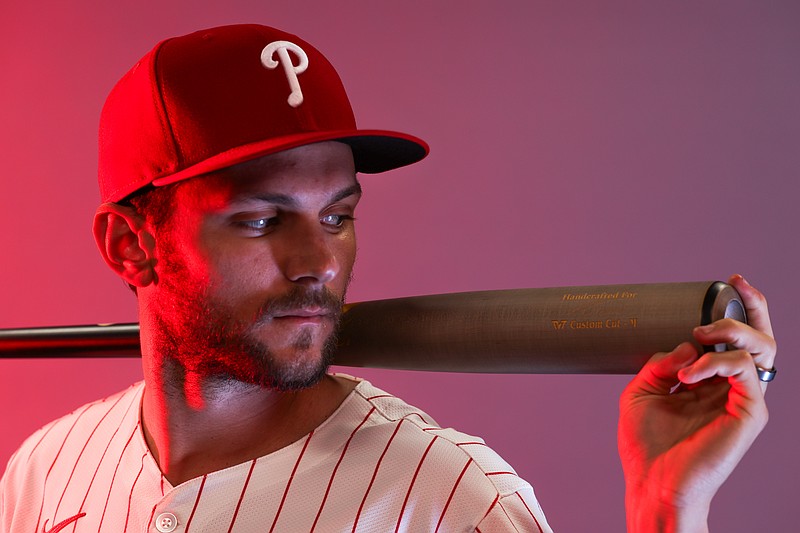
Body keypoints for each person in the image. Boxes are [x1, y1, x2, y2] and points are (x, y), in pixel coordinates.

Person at [0, 24, 776, 532]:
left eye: (337, 216)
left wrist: (668, 512)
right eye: (264, 220)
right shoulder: (44, 469)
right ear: (130, 245)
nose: (319, 264)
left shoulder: (456, 504)